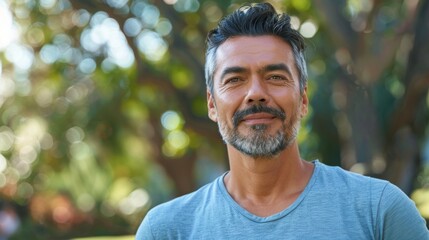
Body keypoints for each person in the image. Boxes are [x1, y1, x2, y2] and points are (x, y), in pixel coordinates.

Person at [136, 2, 429, 239]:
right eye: (235, 79)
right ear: (212, 104)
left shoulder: (379, 212)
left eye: (275, 77)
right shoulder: (166, 230)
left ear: (303, 99)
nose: (255, 94)